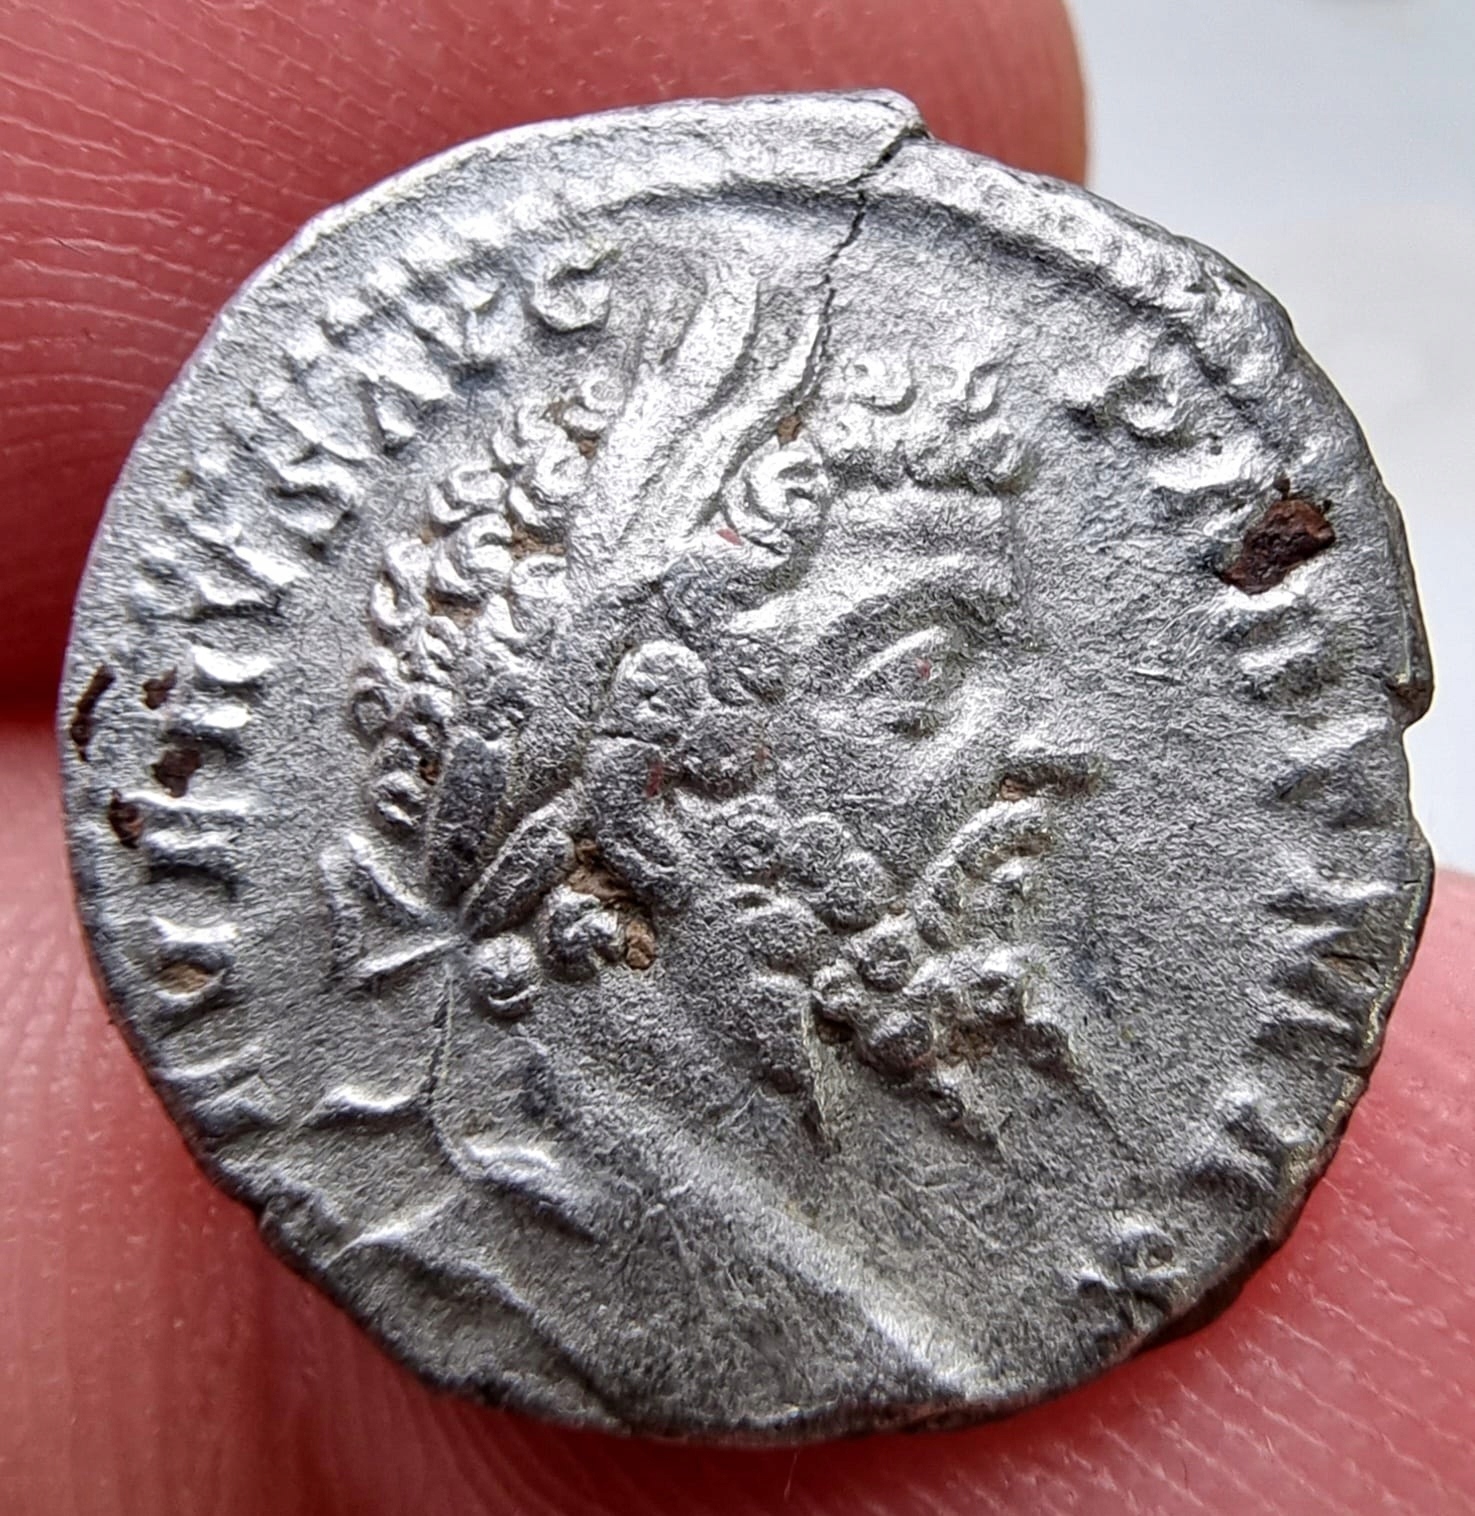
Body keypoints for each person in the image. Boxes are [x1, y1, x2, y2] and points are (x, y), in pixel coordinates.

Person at [1, 1, 1470, 1510]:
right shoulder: (537, 1249)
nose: (1063, 747)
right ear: (638, 774)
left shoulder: (867, 1213)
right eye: (920, 676)